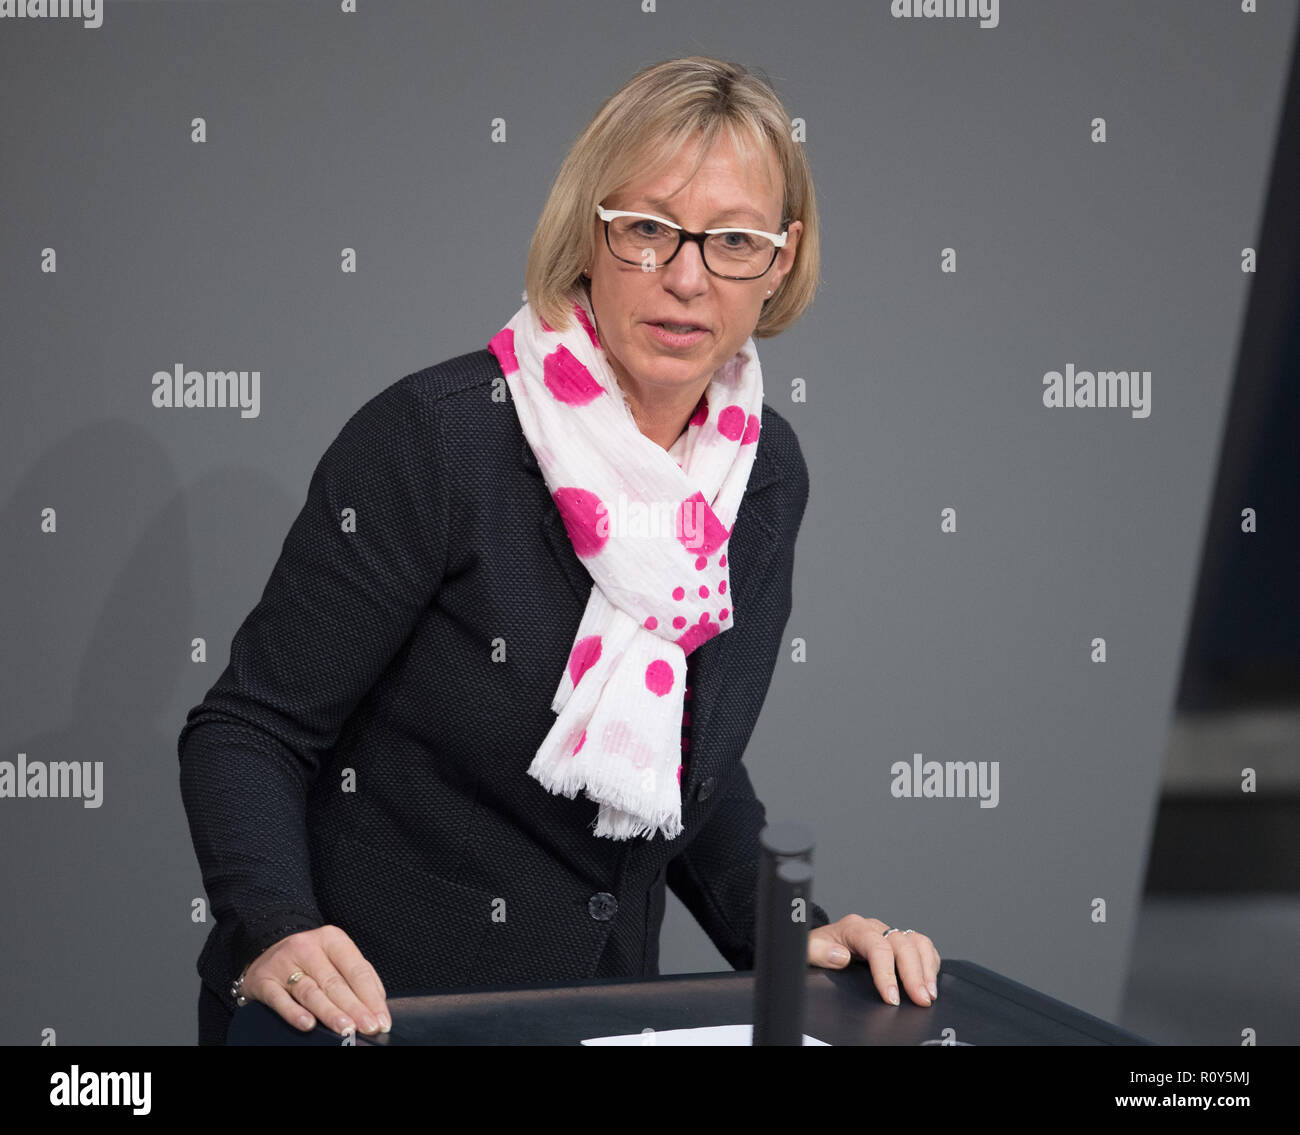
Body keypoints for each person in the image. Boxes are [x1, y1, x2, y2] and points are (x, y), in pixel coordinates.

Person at [178, 55, 939, 1046]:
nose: (686, 276)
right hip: (373, 1015)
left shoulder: (762, 474)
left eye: (733, 241)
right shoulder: (440, 438)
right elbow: (249, 729)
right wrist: (277, 925)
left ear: (779, 263)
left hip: (599, 1017)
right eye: (648, 230)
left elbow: (686, 774)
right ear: (591, 232)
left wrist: (787, 936)